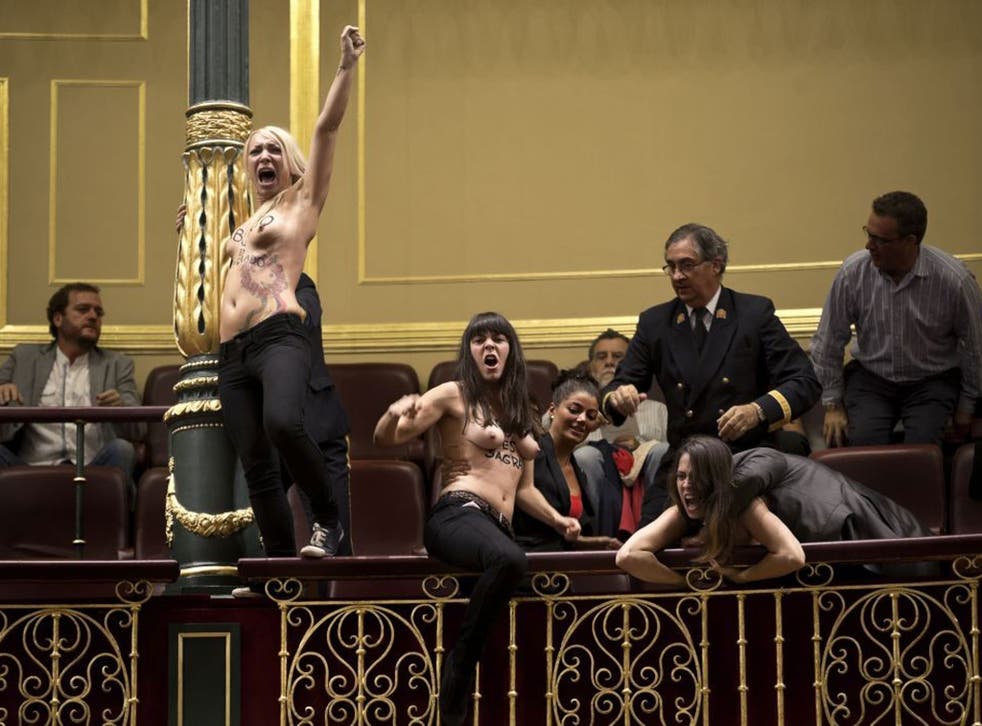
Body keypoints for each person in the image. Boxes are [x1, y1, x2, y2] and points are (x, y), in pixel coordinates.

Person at [373, 311, 580, 726]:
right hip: (457, 514)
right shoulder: (454, 393)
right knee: (512, 562)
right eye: (479, 339)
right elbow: (384, 439)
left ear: (510, 350)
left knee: (516, 566)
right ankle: (457, 670)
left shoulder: (522, 410)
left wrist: (558, 520)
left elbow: (523, 490)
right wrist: (395, 411)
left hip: (496, 527)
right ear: (469, 351)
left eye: (499, 338)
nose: (489, 345)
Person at [216, 25, 363, 562]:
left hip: (280, 334)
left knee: (283, 422)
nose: (262, 157)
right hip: (232, 353)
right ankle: (277, 566)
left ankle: (327, 523)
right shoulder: (240, 225)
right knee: (256, 465)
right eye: (255, 151)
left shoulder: (301, 204)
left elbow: (327, 128)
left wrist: (346, 66)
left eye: (273, 148)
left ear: (289, 161)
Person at [601, 223, 820, 526]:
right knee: (647, 543)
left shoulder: (753, 314)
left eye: (686, 265)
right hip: (685, 459)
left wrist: (758, 410)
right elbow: (617, 387)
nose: (677, 276)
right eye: (671, 267)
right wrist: (618, 396)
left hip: (745, 454)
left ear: (715, 265)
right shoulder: (656, 322)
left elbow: (805, 382)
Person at [616, 436, 934, 586]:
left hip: (859, 548)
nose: (686, 486)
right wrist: (683, 583)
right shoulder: (686, 500)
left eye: (696, 478)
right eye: (681, 477)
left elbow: (791, 556)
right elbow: (628, 556)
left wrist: (742, 576)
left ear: (715, 479)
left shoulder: (743, 495)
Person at [811, 191, 982, 447]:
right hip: (872, 379)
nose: (869, 246)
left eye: (880, 240)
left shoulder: (954, 281)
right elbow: (828, 341)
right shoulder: (853, 273)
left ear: (910, 241)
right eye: (868, 234)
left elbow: (975, 348)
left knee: (924, 451)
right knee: (865, 447)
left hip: (931, 381)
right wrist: (833, 405)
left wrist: (966, 408)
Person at [0, 283, 145, 493]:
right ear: (58, 319)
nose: (94, 316)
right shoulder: (23, 357)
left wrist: (120, 407)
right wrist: (3, 393)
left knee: (123, 449)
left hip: (93, 467)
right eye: (83, 310)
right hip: (31, 467)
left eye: (98, 312)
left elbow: (140, 429)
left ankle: (106, 521)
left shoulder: (117, 364)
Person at [514, 370, 622, 551]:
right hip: (528, 565)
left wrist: (593, 543)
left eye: (591, 415)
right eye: (574, 410)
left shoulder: (579, 472)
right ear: (552, 410)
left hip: (562, 567)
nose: (582, 420)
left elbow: (563, 535)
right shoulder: (532, 452)